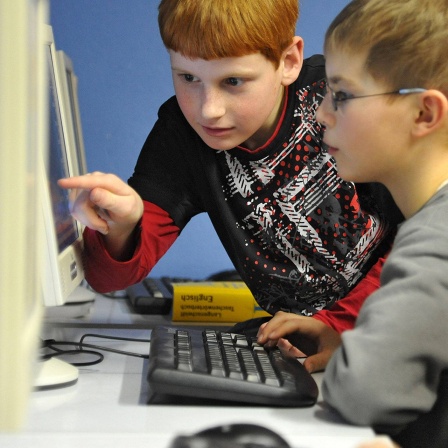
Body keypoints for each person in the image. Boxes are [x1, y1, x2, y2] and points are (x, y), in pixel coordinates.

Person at [59, 0, 401, 368]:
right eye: (188, 78)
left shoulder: (336, 99)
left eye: (233, 81)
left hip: (401, 327)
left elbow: (427, 236)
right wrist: (122, 227)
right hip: (314, 350)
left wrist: (340, 324)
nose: (208, 110)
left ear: (288, 62)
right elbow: (105, 277)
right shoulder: (181, 137)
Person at [258, 0, 448, 443]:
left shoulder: (437, 237)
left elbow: (365, 393)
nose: (322, 113)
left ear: (424, 114)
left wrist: (357, 362)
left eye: (342, 95)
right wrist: (348, 345)